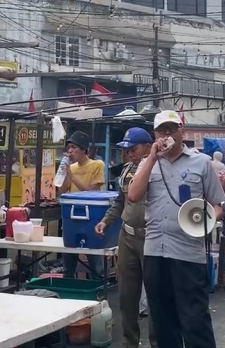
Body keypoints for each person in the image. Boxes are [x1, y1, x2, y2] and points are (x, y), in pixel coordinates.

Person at [128, 110, 225, 348]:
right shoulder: (147, 164)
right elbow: (133, 195)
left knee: (195, 319)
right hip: (155, 251)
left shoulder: (201, 162)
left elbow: (218, 206)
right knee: (161, 319)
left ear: (182, 132)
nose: (167, 134)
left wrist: (205, 219)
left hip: (187, 253)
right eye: (162, 130)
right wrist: (151, 157)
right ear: (155, 135)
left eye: (172, 129)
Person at [95, 127, 157, 348]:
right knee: (126, 296)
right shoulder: (127, 171)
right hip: (127, 236)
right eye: (127, 150)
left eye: (134, 148)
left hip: (152, 237)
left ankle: (156, 342)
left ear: (149, 147)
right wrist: (105, 221)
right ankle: (130, 342)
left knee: (155, 295)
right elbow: (120, 202)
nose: (130, 153)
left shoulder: (159, 170)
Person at [58, 131, 105, 279]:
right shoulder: (70, 168)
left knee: (95, 261)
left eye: (74, 147)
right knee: (69, 260)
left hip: (92, 215)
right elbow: (61, 191)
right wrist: (63, 174)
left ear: (84, 150)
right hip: (72, 214)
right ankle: (69, 290)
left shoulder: (97, 164)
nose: (70, 151)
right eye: (68, 148)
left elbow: (92, 191)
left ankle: (97, 292)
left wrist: (72, 176)